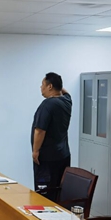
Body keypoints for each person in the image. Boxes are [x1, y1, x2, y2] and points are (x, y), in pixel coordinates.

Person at [31, 72, 72, 201]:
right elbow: (65, 92)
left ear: (50, 86)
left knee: (45, 193)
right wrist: (58, 85)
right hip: (63, 155)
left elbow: (40, 131)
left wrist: (35, 151)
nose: (40, 87)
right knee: (58, 190)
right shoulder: (67, 101)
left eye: (43, 84)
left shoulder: (48, 104)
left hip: (47, 158)